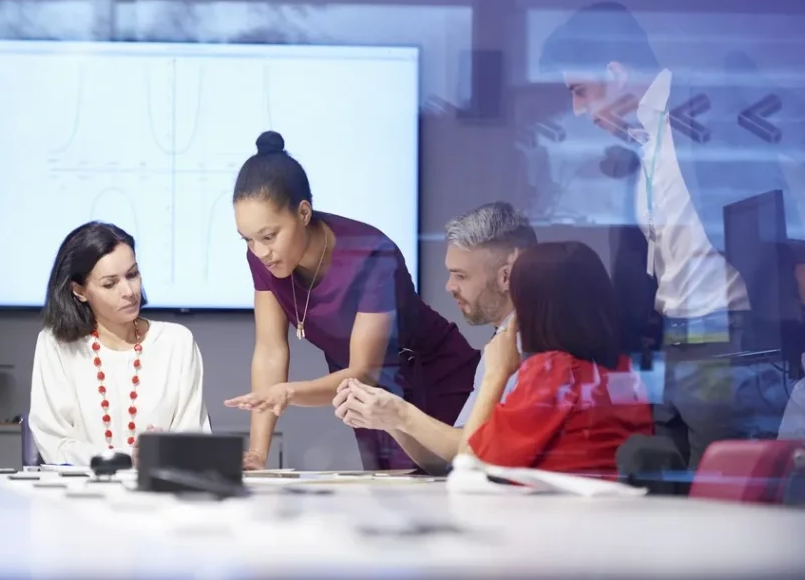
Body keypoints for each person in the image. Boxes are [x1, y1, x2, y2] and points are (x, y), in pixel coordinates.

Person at [539, 2, 805, 469]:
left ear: (615, 73)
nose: (577, 109)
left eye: (580, 91)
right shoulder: (635, 146)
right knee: (670, 504)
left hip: (734, 345)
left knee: (723, 504)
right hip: (668, 353)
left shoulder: (718, 100)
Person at [224, 131, 480, 471]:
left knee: (451, 489)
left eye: (269, 236)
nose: (260, 252)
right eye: (248, 239)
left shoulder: (370, 253)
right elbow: (270, 350)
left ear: (303, 212)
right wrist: (258, 452)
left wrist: (288, 393)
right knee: (390, 503)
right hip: (364, 395)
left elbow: (364, 371)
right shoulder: (262, 256)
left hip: (432, 377)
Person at [332, 201, 537, 473]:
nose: (450, 286)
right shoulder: (501, 345)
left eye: (460, 276)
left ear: (505, 277)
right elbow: (450, 459)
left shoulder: (530, 348)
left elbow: (471, 455)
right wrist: (389, 419)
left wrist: (401, 413)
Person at [460, 241, 653, 472]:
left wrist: (495, 374)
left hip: (559, 506)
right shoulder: (623, 369)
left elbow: (470, 463)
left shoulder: (554, 372)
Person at [29, 221, 210, 466]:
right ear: (79, 291)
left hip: (161, 496)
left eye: (133, 275)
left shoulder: (176, 343)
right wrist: (126, 459)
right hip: (79, 497)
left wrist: (166, 450)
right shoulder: (56, 344)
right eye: (110, 283)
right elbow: (55, 443)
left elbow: (194, 438)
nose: (128, 291)